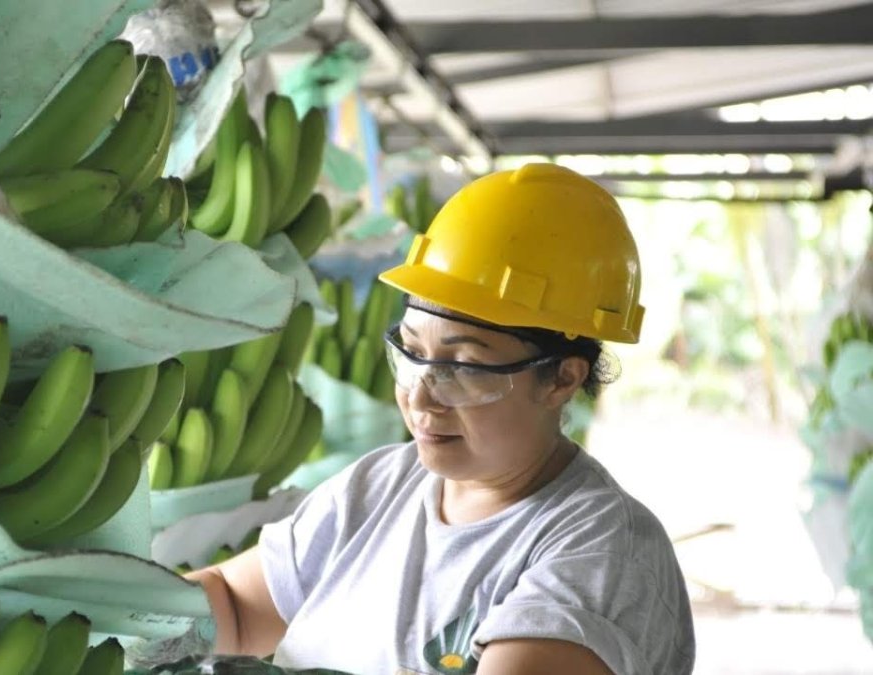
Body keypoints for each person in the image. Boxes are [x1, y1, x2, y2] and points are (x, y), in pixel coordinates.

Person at [183, 163, 696, 674]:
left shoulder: (602, 551)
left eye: (463, 367)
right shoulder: (381, 485)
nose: (420, 398)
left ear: (562, 379)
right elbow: (235, 607)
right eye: (410, 353)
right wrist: (137, 621)